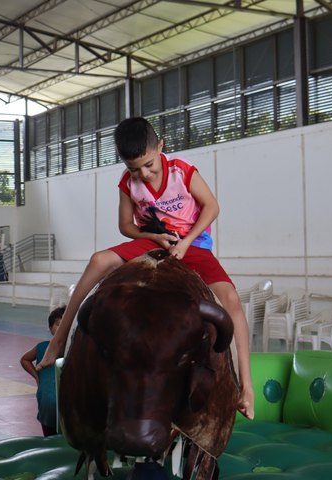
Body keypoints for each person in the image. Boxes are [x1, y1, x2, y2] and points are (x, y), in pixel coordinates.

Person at [37, 117, 255, 419]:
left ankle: (246, 386)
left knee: (231, 300)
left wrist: (185, 242)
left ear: (160, 147)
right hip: (153, 241)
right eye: (134, 168)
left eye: (149, 165)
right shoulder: (128, 183)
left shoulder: (182, 171)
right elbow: (125, 226)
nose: (143, 173)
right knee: (98, 260)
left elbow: (212, 207)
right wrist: (153, 237)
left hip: (192, 244)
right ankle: (59, 339)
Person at [20, 306, 64, 436]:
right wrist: (37, 376)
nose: (61, 329)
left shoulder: (73, 349)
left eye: (65, 325)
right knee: (49, 436)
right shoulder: (42, 347)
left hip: (66, 405)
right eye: (58, 324)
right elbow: (25, 359)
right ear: (50, 328)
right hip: (46, 404)